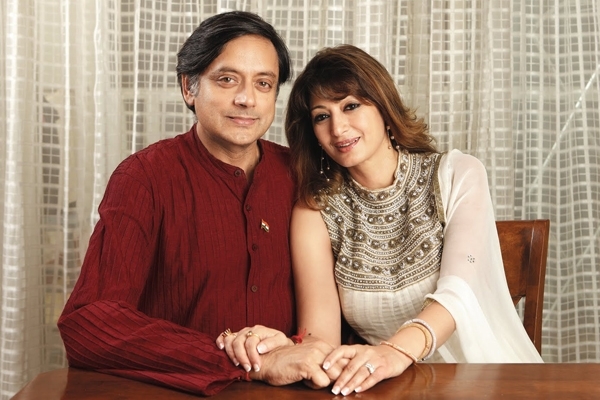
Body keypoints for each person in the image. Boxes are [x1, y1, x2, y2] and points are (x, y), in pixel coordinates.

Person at [223, 44, 543, 395]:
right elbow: (321, 339)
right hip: (393, 389)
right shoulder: (314, 209)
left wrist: (394, 352)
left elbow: (459, 292)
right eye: (321, 116)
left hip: (494, 380)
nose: (338, 127)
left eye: (351, 106)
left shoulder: (458, 174)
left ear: (384, 107)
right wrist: (284, 349)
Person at [57, 11, 335, 396]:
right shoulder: (144, 178)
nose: (246, 99)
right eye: (227, 79)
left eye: (263, 83)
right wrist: (237, 360)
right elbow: (88, 323)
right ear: (189, 87)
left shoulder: (299, 174)